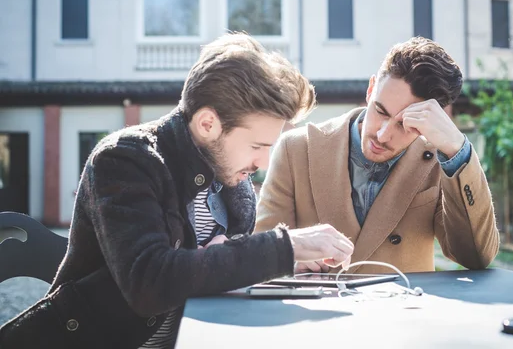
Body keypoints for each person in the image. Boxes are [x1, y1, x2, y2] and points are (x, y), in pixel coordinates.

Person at [0, 34, 353, 349]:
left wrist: (289, 264)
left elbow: (214, 270)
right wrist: (285, 246)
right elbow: (150, 282)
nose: (262, 162)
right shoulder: (125, 159)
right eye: (257, 146)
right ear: (207, 124)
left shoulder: (233, 180)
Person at [255, 37, 499, 275]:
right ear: (371, 89)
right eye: (380, 111)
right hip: (323, 311)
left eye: (405, 124)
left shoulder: (439, 161)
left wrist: (457, 150)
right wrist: (288, 262)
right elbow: (262, 251)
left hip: (404, 312)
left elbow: (476, 257)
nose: (383, 135)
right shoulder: (296, 149)